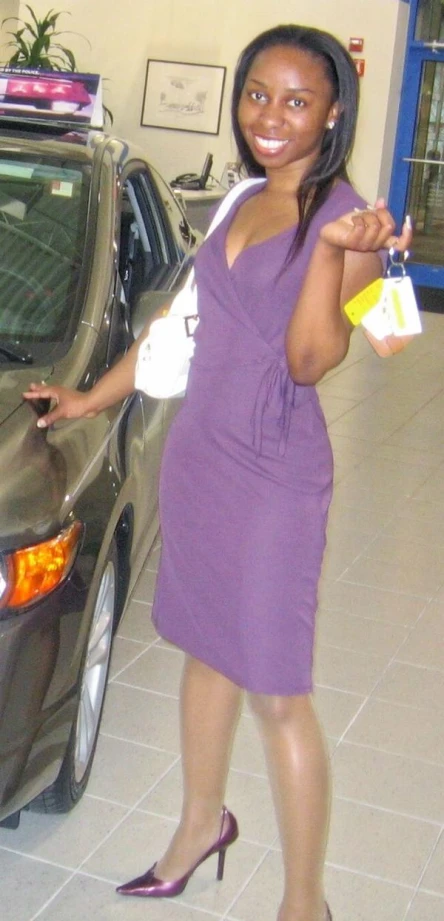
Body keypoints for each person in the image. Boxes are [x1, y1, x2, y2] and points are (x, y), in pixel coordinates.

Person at [24, 23, 412, 921]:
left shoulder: (346, 215)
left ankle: (304, 903)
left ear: (333, 114)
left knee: (278, 692)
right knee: (204, 650)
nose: (271, 117)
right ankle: (200, 824)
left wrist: (353, 253)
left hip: (276, 477)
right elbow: (183, 329)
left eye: (297, 100)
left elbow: (320, 358)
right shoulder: (239, 199)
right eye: (258, 94)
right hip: (200, 456)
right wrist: (92, 397)